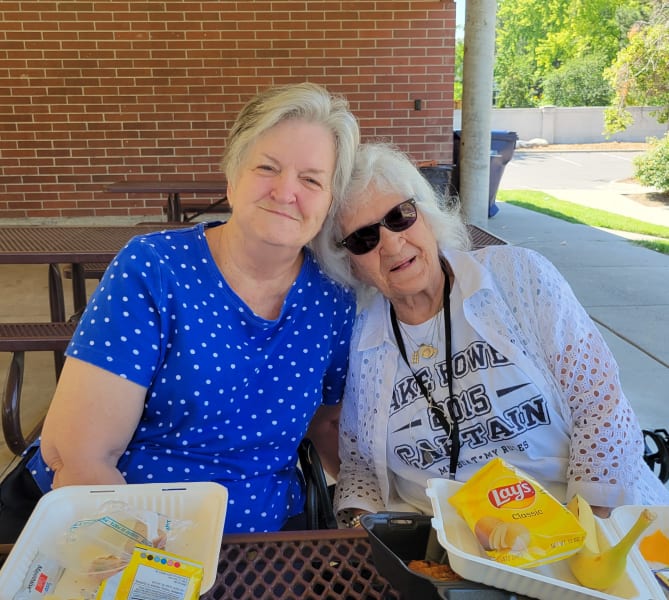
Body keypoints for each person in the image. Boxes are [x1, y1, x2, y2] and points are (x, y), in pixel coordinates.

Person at [0, 82, 360, 543]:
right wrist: (156, 568)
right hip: (112, 525)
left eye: (311, 179)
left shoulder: (333, 299)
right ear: (232, 178)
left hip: (262, 541)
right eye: (267, 168)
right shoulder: (154, 268)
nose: (286, 191)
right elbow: (80, 455)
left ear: (330, 200)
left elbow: (327, 419)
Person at [311, 142, 669, 528]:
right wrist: (362, 531)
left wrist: (583, 533)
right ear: (348, 262)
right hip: (440, 545)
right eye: (364, 238)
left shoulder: (518, 276)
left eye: (400, 216)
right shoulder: (360, 338)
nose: (392, 243)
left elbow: (600, 408)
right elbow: (361, 468)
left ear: (426, 215)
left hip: (577, 515)